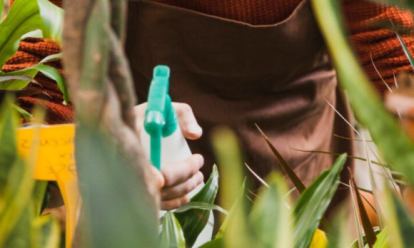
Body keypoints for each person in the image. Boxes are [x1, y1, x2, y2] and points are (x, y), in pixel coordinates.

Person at [4, 0, 414, 212]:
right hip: (141, 188)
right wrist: (105, 149)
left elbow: (392, 50)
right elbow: (41, 63)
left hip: (298, 183)